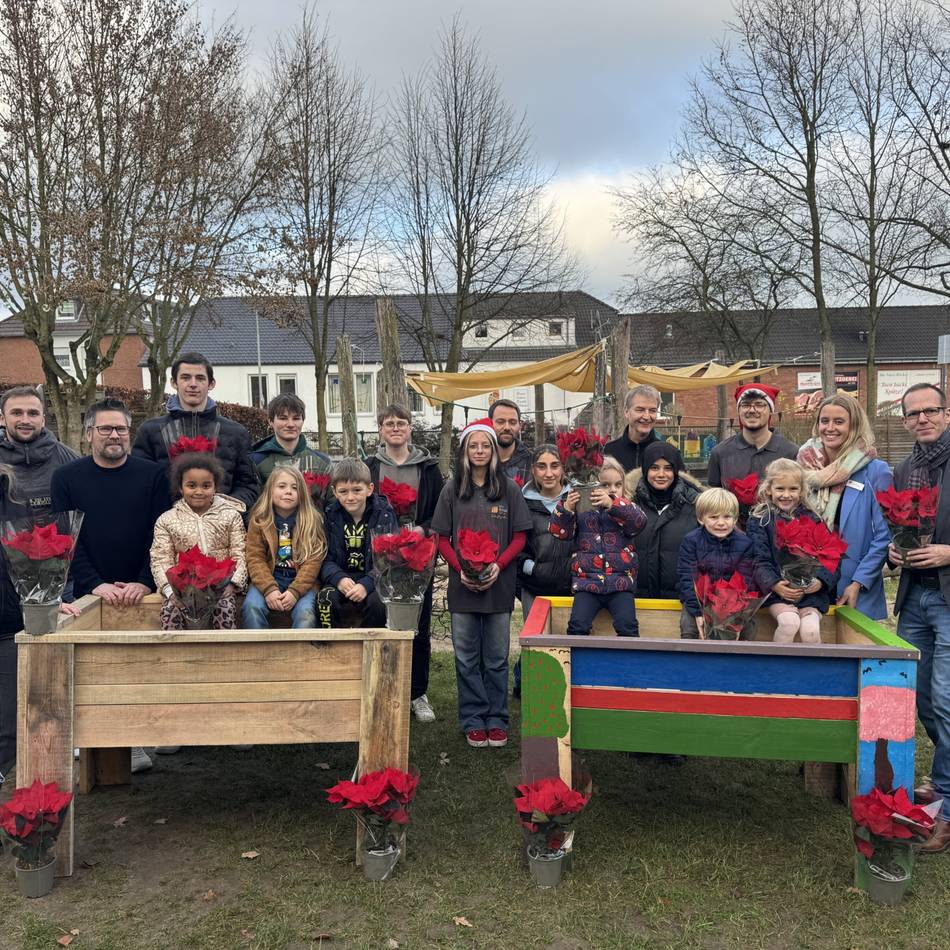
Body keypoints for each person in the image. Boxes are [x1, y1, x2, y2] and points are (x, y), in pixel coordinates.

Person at [51, 397, 170, 774]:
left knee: (143, 666)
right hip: (89, 590)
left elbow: (160, 534)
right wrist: (94, 584)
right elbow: (67, 538)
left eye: (120, 428)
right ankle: (100, 742)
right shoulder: (67, 478)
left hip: (141, 588)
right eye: (105, 428)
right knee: (93, 669)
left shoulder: (152, 476)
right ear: (89, 434)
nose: (114, 435)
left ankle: (139, 738)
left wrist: (144, 581)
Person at [432, 418, 531, 748]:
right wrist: (460, 568)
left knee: (496, 657)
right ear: (464, 450)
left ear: (493, 451)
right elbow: (441, 537)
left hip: (498, 586)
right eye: (473, 445)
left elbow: (519, 537)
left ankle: (497, 718)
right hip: (463, 586)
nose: (479, 451)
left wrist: (498, 566)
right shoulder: (453, 489)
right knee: (466, 657)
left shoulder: (509, 489)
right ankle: (473, 717)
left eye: (485, 445)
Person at [0, 387, 80, 786]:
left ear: (44, 417)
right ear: (4, 418)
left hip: (52, 584)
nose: (25, 419)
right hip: (4, 584)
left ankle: (44, 755)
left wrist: (62, 589)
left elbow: (75, 517)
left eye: (33, 412)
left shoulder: (64, 457)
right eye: (17, 413)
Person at [888, 382, 950, 854]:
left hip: (948, 600)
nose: (922, 418)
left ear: (946, 413)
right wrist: (895, 552)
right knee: (922, 702)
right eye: (914, 413)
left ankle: (946, 809)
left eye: (931, 410)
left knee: (946, 701)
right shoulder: (907, 468)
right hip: (914, 599)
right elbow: (901, 527)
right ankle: (944, 781)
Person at [367, 404, 444, 723]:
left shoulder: (428, 467)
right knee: (383, 622)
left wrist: (422, 530)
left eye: (401, 423)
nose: (395, 428)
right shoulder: (370, 466)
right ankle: (386, 688)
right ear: (381, 430)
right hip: (383, 553)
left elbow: (439, 510)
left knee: (418, 624)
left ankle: (417, 693)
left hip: (418, 553)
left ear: (411, 428)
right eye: (389, 423)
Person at [797, 393, 892, 619]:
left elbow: (884, 535)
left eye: (839, 422)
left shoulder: (875, 471)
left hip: (854, 586)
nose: (830, 428)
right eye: (824, 421)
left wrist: (859, 582)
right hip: (809, 586)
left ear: (854, 426)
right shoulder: (801, 468)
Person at [132, 351, 259, 510]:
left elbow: (248, 486)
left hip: (220, 527)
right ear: (173, 382)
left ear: (211, 384)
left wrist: (223, 509)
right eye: (185, 377)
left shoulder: (236, 433)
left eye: (200, 378)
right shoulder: (150, 431)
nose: (193, 384)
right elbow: (139, 484)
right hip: (167, 527)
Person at [550, 456, 647, 636]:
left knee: (628, 626)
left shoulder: (626, 508)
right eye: (605, 485)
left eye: (618, 485)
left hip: (621, 584)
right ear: (592, 485)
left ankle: (630, 663)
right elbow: (559, 532)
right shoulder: (582, 509)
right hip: (587, 584)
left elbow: (639, 523)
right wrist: (567, 509)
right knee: (578, 625)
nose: (612, 490)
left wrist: (613, 505)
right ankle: (579, 661)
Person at [150, 453, 247, 631]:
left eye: (206, 485)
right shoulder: (167, 520)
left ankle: (225, 655)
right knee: (171, 613)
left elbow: (239, 552)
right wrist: (170, 591)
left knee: (225, 610)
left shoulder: (230, 516)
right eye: (191, 485)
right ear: (180, 487)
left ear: (215, 486)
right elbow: (160, 559)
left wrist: (232, 584)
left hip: (221, 589)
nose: (199, 491)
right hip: (181, 591)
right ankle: (174, 656)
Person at [747, 459, 836, 644]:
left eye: (793, 489)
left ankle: (812, 670)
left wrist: (820, 581)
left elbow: (831, 556)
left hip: (810, 594)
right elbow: (758, 559)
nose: (786, 495)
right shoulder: (760, 520)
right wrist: (775, 584)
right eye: (780, 489)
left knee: (810, 630)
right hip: (779, 592)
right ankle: (778, 670)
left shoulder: (813, 518)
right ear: (769, 489)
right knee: (789, 624)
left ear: (802, 491)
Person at [243, 465, 325, 629]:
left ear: (302, 494)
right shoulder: (260, 520)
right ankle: (257, 653)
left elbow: (313, 561)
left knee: (306, 613)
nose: (288, 491)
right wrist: (269, 589)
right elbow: (255, 558)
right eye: (282, 486)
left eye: (295, 488)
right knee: (252, 608)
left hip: (301, 583)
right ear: (270, 491)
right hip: (268, 579)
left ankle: (300, 654)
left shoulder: (311, 520)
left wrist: (295, 591)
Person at [318, 458, 397, 630]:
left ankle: (368, 649)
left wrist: (367, 583)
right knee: (325, 599)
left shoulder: (384, 515)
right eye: (343, 491)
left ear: (370, 489)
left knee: (378, 604)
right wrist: (338, 579)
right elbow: (324, 557)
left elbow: (389, 558)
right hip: (340, 578)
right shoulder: (331, 516)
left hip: (373, 579)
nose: (350, 497)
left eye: (357, 490)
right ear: (335, 491)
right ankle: (331, 649)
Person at [624, 442, 702, 600]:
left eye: (668, 468)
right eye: (654, 468)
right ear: (645, 469)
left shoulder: (695, 507)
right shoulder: (628, 505)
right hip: (635, 602)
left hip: (681, 603)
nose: (661, 474)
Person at [677, 488, 757, 639]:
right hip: (699, 601)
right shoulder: (691, 541)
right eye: (713, 517)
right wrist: (697, 612)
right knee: (690, 627)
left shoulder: (745, 543)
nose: (721, 523)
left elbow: (747, 579)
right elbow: (686, 577)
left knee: (749, 626)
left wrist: (735, 612)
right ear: (701, 518)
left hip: (733, 601)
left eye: (727, 517)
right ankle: (690, 659)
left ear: (735, 519)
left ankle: (743, 659)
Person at [518, 444, 573, 620]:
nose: (549, 473)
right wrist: (531, 569)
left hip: (574, 590)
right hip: (535, 589)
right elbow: (515, 544)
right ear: (533, 470)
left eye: (555, 466)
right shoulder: (522, 503)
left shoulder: (577, 499)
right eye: (542, 466)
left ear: (563, 469)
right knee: (538, 645)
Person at [707, 384, 798, 489]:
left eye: (759, 405)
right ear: (738, 410)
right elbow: (713, 499)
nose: (752, 410)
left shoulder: (791, 453)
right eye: (745, 405)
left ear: (771, 411)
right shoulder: (720, 453)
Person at [250, 392, 331, 491]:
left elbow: (332, 503)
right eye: (283, 418)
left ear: (303, 420)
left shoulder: (323, 463)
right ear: (270, 421)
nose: (290, 424)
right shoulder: (255, 462)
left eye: (296, 418)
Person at [604, 385, 663, 473]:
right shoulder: (609, 451)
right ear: (626, 412)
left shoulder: (666, 452)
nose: (647, 416)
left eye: (652, 410)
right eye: (640, 410)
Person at [488, 399, 532, 485]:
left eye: (512, 422)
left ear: (520, 426)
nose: (507, 427)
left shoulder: (532, 462)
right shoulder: (478, 460)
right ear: (490, 423)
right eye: (500, 422)